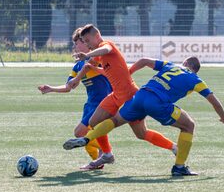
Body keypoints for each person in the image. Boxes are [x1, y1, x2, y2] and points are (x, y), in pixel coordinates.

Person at [64, 56, 224, 176]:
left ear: (185, 63)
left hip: (140, 96)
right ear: (195, 69)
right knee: (189, 125)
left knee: (115, 121)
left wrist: (128, 73)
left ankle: (87, 138)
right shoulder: (196, 79)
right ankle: (179, 167)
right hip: (157, 103)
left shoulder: (171, 65)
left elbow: (144, 60)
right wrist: (223, 117)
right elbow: (214, 101)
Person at [64, 25, 177, 168]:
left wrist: (87, 55)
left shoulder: (106, 45)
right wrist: (77, 79)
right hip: (116, 95)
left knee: (141, 134)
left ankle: (174, 147)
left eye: (87, 41)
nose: (87, 45)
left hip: (131, 96)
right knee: (94, 122)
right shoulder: (96, 54)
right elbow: (87, 66)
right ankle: (107, 154)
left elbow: (106, 50)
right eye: (84, 42)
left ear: (96, 36)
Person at [38, 28, 112, 168]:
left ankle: (105, 151)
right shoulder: (77, 66)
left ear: (86, 43)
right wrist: (51, 88)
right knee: (85, 133)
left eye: (78, 43)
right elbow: (68, 87)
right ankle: (98, 161)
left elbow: (98, 65)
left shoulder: (97, 59)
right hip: (90, 104)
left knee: (79, 132)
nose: (75, 47)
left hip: (102, 102)